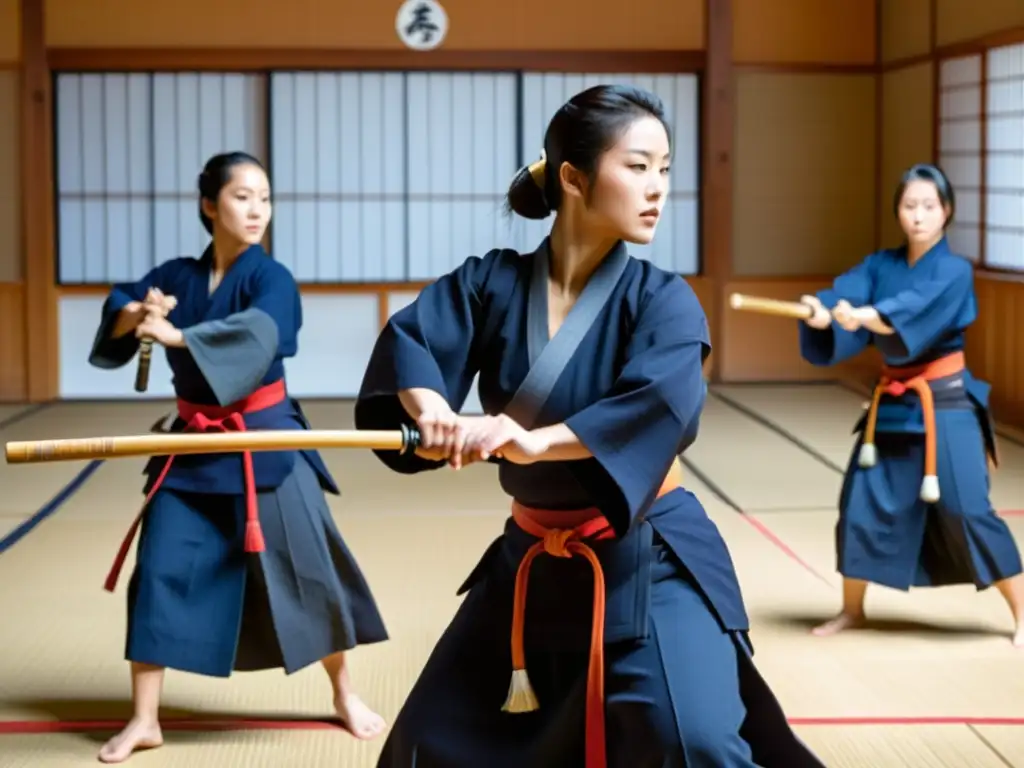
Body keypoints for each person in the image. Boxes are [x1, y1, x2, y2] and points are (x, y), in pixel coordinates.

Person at [355, 85, 823, 768]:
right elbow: (415, 341)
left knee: (691, 743)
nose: (658, 188)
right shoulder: (491, 283)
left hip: (648, 558)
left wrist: (532, 439)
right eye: (637, 167)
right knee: (427, 746)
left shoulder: (663, 301)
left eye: (665, 169)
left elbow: (661, 403)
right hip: (532, 561)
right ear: (573, 178)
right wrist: (433, 414)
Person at [88, 151, 389, 763]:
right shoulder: (178, 274)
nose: (257, 210)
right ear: (209, 205)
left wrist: (179, 336)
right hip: (193, 446)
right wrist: (139, 314)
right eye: (242, 196)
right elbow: (122, 302)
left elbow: (265, 332)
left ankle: (343, 693)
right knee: (160, 570)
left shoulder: (269, 278)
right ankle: (144, 718)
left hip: (265, 442)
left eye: (265, 198)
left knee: (310, 572)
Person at [798, 163, 1024, 645]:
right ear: (898, 211)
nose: (918, 215)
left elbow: (911, 312)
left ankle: (1022, 611)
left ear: (946, 212)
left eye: (929, 206)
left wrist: (867, 316)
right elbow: (847, 292)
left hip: (946, 404)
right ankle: (852, 611)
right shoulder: (882, 264)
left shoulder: (954, 271)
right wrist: (822, 310)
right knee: (858, 504)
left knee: (968, 511)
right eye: (909, 205)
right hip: (893, 405)